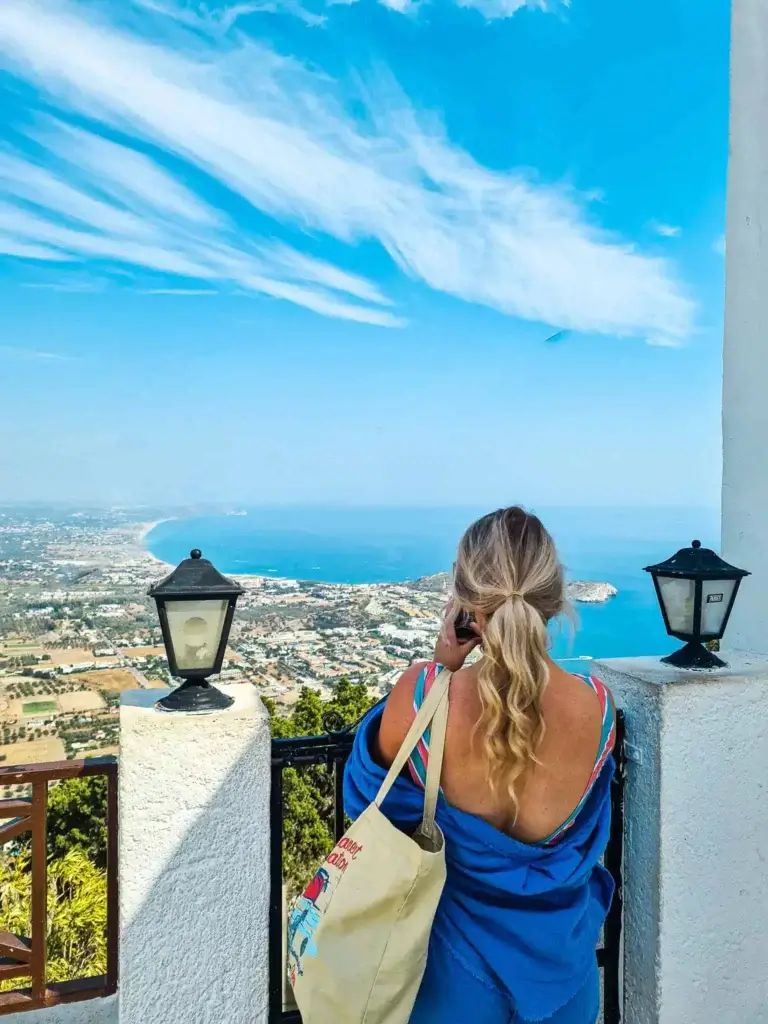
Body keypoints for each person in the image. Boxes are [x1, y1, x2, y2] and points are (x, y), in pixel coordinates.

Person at [344, 506, 616, 1024]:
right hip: (564, 978)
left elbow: (368, 803)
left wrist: (441, 665)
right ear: (553, 595)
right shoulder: (598, 708)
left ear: (467, 603)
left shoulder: (425, 695)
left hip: (447, 980)